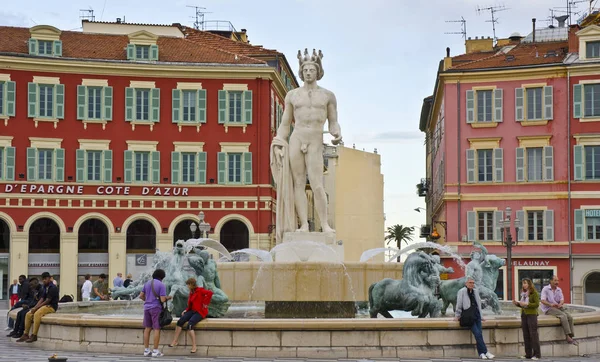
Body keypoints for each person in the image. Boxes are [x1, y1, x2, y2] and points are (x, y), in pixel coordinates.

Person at [270, 48, 342, 242]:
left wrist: (336, 132)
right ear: (301, 73)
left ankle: (325, 225)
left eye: (312, 69)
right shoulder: (292, 96)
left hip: (315, 140)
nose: (309, 72)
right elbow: (285, 123)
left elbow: (333, 121)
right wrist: (279, 142)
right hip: (297, 139)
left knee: (317, 184)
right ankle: (303, 224)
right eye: (306, 70)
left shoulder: (328, 96)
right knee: (299, 183)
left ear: (318, 72)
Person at [168, 277, 213, 353]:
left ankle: (194, 345)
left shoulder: (200, 290)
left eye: (188, 285)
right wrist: (186, 310)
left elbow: (210, 293)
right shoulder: (191, 292)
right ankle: (175, 341)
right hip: (192, 310)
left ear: (191, 284)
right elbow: (191, 304)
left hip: (200, 312)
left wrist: (205, 303)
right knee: (180, 322)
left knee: (190, 325)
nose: (187, 286)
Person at [455, 277, 494, 360]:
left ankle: (481, 353)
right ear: (466, 283)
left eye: (473, 283)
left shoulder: (475, 292)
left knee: (479, 334)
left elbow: (478, 305)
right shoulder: (461, 291)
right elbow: (459, 304)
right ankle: (485, 351)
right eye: (470, 282)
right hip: (468, 317)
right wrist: (457, 315)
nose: (472, 284)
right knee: (478, 334)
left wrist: (481, 316)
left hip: (477, 316)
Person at [17, 272, 59, 343]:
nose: (44, 280)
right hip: (45, 305)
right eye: (43, 279)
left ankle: (34, 335)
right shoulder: (45, 287)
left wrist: (36, 308)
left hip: (51, 306)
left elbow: (47, 300)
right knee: (28, 314)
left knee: (37, 314)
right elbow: (42, 299)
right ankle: (26, 334)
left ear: (49, 278)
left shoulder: (53, 287)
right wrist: (35, 307)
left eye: (45, 279)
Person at [139, 269, 172, 357]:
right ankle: (155, 351)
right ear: (162, 277)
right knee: (156, 328)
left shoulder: (147, 283)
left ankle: (146, 350)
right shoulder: (161, 285)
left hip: (146, 308)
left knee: (147, 328)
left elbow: (141, 296)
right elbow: (162, 299)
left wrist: (148, 300)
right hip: (156, 308)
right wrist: (168, 297)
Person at [541, 275, 578, 345]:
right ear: (551, 281)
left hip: (557, 307)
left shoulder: (559, 289)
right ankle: (567, 336)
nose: (557, 282)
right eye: (555, 280)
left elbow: (562, 299)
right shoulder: (545, 289)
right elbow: (542, 300)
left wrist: (560, 304)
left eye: (557, 280)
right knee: (563, 316)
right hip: (548, 308)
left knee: (570, 317)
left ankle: (571, 336)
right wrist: (551, 305)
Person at [513, 278, 541, 360]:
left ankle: (537, 354)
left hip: (532, 315)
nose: (524, 285)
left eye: (525, 283)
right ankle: (528, 354)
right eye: (523, 283)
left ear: (529, 284)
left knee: (533, 335)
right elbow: (523, 305)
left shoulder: (534, 293)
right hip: (524, 314)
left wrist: (527, 304)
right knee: (526, 335)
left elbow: (536, 304)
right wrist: (517, 304)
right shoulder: (523, 294)